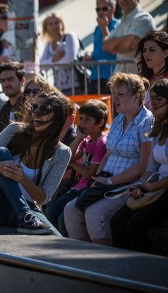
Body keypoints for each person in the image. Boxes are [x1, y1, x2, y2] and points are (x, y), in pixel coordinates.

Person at [0, 91, 72, 235]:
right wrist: (0, 167)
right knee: (1, 153)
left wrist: (23, 178)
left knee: (56, 239)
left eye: (44, 110)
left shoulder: (62, 152)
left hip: (29, 207)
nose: (36, 114)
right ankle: (24, 215)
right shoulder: (14, 130)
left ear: (58, 117)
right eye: (34, 107)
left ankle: (24, 216)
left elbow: (43, 198)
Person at [64, 73, 153, 246]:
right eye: (114, 94)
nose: (115, 99)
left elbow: (143, 165)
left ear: (136, 96)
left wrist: (110, 181)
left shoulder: (146, 122)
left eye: (121, 94)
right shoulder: (119, 119)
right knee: (71, 210)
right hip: (105, 181)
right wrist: (98, 178)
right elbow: (107, 154)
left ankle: (102, 265)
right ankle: (82, 260)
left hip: (126, 185)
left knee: (94, 213)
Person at [110, 79, 168, 253]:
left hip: (164, 188)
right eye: (153, 98)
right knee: (118, 220)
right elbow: (151, 166)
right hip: (157, 186)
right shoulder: (159, 127)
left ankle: (145, 272)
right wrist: (141, 186)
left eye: (160, 98)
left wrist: (151, 186)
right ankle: (124, 271)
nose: (154, 103)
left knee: (136, 224)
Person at [45, 99, 108, 236]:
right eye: (82, 119)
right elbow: (68, 156)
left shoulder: (101, 143)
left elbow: (90, 174)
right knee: (51, 212)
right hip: (78, 187)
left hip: (88, 188)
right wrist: (79, 138)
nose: (82, 123)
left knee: (61, 218)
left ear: (100, 123)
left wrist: (73, 164)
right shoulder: (86, 140)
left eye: (87, 120)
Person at [103, 0, 156, 74]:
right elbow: (106, 45)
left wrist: (115, 46)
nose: (123, 0)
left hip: (139, 80)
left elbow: (129, 44)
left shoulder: (143, 18)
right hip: (121, 80)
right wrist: (124, 40)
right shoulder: (121, 22)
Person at [39, 13, 80, 95]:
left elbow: (69, 58)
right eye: (50, 24)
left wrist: (52, 62)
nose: (54, 26)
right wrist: (55, 58)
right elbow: (41, 65)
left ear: (62, 24)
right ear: (46, 27)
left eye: (56, 23)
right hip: (58, 88)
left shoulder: (69, 36)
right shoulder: (49, 45)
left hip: (76, 85)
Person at [90, 0, 119, 94]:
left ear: (113, 9)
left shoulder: (119, 25)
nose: (101, 12)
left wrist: (104, 28)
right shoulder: (97, 28)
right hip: (95, 75)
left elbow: (113, 48)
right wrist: (90, 57)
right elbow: (98, 50)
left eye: (104, 9)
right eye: (98, 9)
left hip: (111, 76)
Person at [135, 30, 168, 110]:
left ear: (165, 53)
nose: (146, 54)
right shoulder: (144, 79)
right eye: (144, 50)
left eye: (152, 50)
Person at [0, 62, 26, 135]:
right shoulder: (3, 111)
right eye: (3, 80)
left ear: (22, 81)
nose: (6, 84)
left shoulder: (30, 107)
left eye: (10, 79)